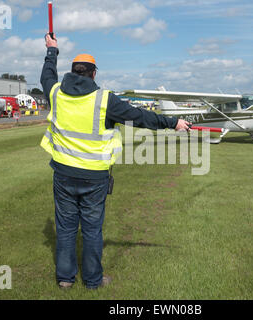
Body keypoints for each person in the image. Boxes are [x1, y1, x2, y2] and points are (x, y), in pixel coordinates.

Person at [40, 34, 191, 290]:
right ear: (93, 74)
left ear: (73, 72)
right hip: (94, 177)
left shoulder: (56, 93)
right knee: (91, 230)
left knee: (65, 228)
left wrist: (51, 50)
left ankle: (65, 279)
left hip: (63, 173)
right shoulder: (105, 99)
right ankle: (93, 281)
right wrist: (172, 122)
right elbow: (140, 117)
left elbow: (47, 76)